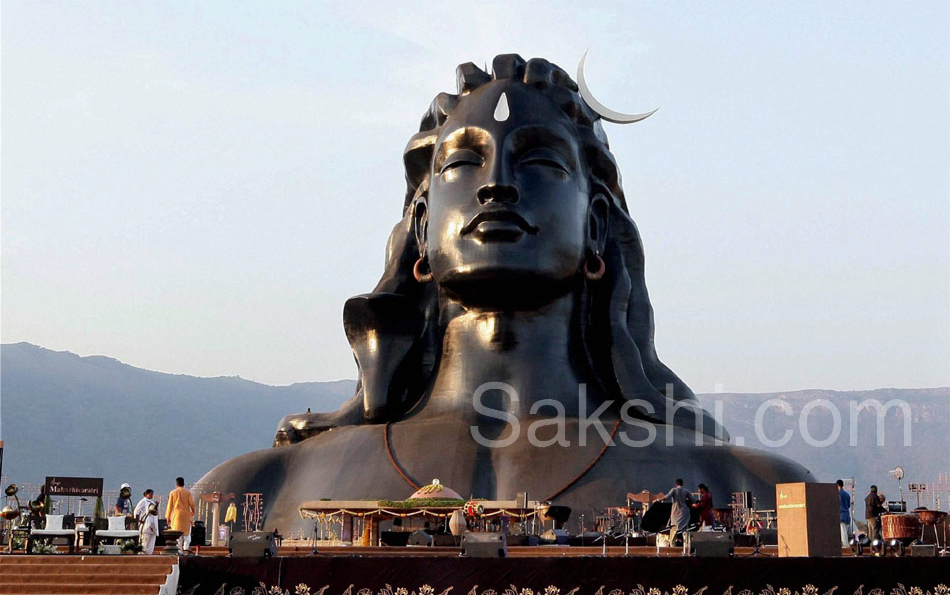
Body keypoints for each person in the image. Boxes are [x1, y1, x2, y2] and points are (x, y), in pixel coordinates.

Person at [196, 54, 814, 535]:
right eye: (464, 163)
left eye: (539, 161)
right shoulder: (263, 484)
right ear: (420, 225)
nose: (496, 186)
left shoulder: (741, 485)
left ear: (596, 223)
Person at [657, 478, 693, 545]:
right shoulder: (686, 491)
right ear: (682, 484)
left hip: (675, 513)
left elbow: (666, 497)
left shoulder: (673, 490)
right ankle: (687, 548)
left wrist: (658, 500)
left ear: (676, 484)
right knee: (685, 533)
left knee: (673, 534)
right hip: (684, 513)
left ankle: (673, 550)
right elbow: (693, 499)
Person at [165, 477, 195, 552]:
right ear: (183, 484)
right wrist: (193, 511)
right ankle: (186, 549)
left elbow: (169, 506)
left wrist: (168, 517)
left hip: (176, 515)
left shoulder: (172, 492)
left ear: (176, 484)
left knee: (177, 535)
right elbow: (192, 503)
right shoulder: (188, 493)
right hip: (186, 515)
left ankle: (179, 551)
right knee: (187, 534)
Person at [837, 479, 851, 547]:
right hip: (847, 515)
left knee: (843, 533)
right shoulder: (847, 494)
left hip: (841, 515)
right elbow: (848, 505)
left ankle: (845, 546)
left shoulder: (837, 494)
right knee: (846, 532)